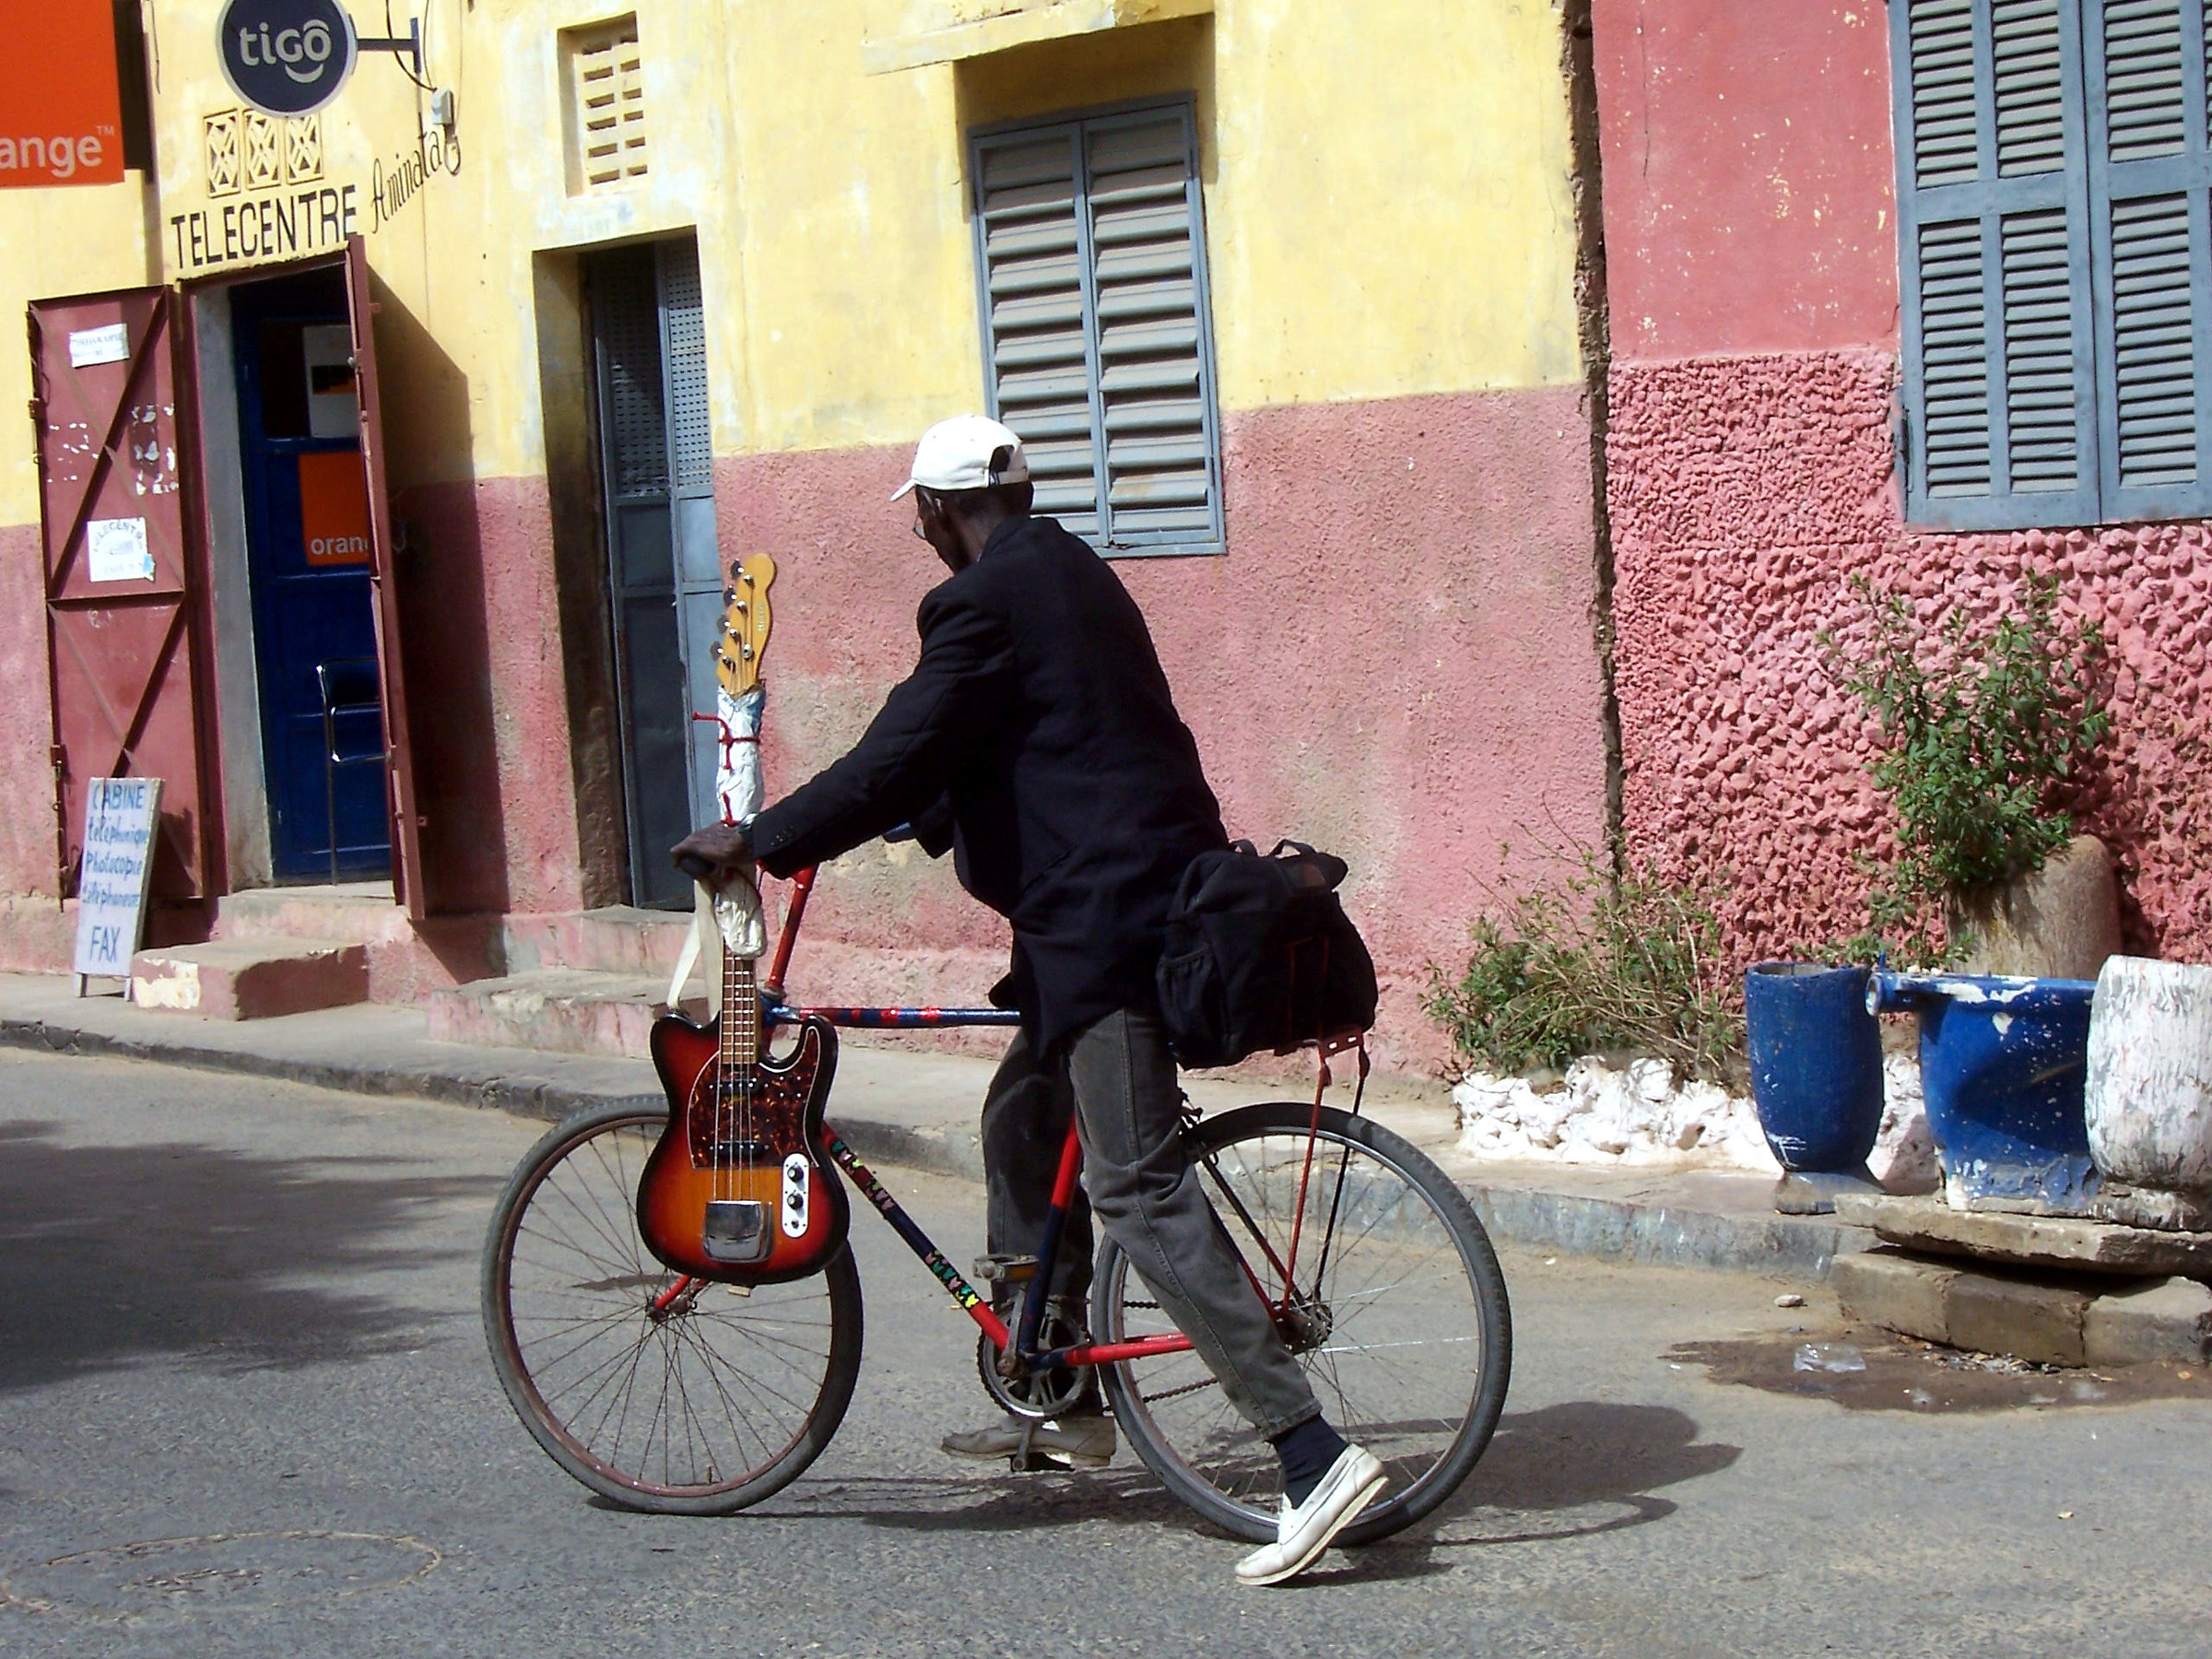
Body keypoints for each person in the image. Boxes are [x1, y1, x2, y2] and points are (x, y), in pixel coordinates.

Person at [671, 414, 1383, 1586]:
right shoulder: (1071, 572)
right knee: (1023, 1117)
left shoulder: (979, 602)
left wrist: (765, 837)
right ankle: (1055, 1383)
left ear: (937, 512)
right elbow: (1039, 737)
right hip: (1135, 897)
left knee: (1135, 1183)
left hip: (1107, 930)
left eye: (920, 518)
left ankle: (1309, 1456)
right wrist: (924, 809)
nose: (922, 535)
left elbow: (901, 747)